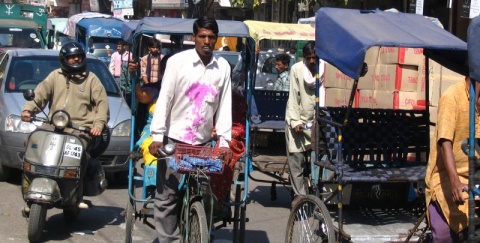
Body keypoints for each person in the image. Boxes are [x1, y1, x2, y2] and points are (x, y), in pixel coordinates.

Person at [148, 16, 232, 242]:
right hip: (174, 140)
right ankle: (169, 239)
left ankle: (201, 230)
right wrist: (157, 136)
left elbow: (224, 106)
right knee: (167, 197)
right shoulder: (177, 62)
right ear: (193, 37)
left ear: (216, 39)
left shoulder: (222, 67)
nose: (207, 41)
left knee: (205, 193)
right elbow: (164, 99)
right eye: (202, 36)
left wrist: (224, 142)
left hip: (203, 142)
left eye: (211, 37)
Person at [20, 42, 109, 209]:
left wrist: (98, 124)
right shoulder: (55, 76)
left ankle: (78, 195)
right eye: (71, 57)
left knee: (80, 155)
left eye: (79, 56)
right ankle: (29, 192)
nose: (75, 59)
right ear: (64, 59)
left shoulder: (91, 79)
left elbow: (102, 104)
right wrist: (28, 110)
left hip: (80, 129)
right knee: (31, 144)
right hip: (53, 125)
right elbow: (40, 94)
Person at [425, 77, 480, 242]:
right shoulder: (452, 97)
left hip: (475, 175)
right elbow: (444, 142)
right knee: (446, 233)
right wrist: (455, 181)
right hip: (447, 177)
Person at [285, 41, 320, 207]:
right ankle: (300, 193)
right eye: (309, 58)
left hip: (316, 122)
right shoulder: (296, 70)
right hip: (298, 120)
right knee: (295, 157)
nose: (312, 61)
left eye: (315, 58)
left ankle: (319, 191)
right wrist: (295, 121)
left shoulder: (323, 69)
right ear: (305, 58)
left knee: (319, 158)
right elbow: (293, 97)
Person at [135, 54, 172, 167]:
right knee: (153, 151)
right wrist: (134, 76)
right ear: (162, 71)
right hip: (152, 133)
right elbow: (142, 96)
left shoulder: (188, 90)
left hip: (178, 133)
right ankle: (153, 184)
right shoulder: (155, 88)